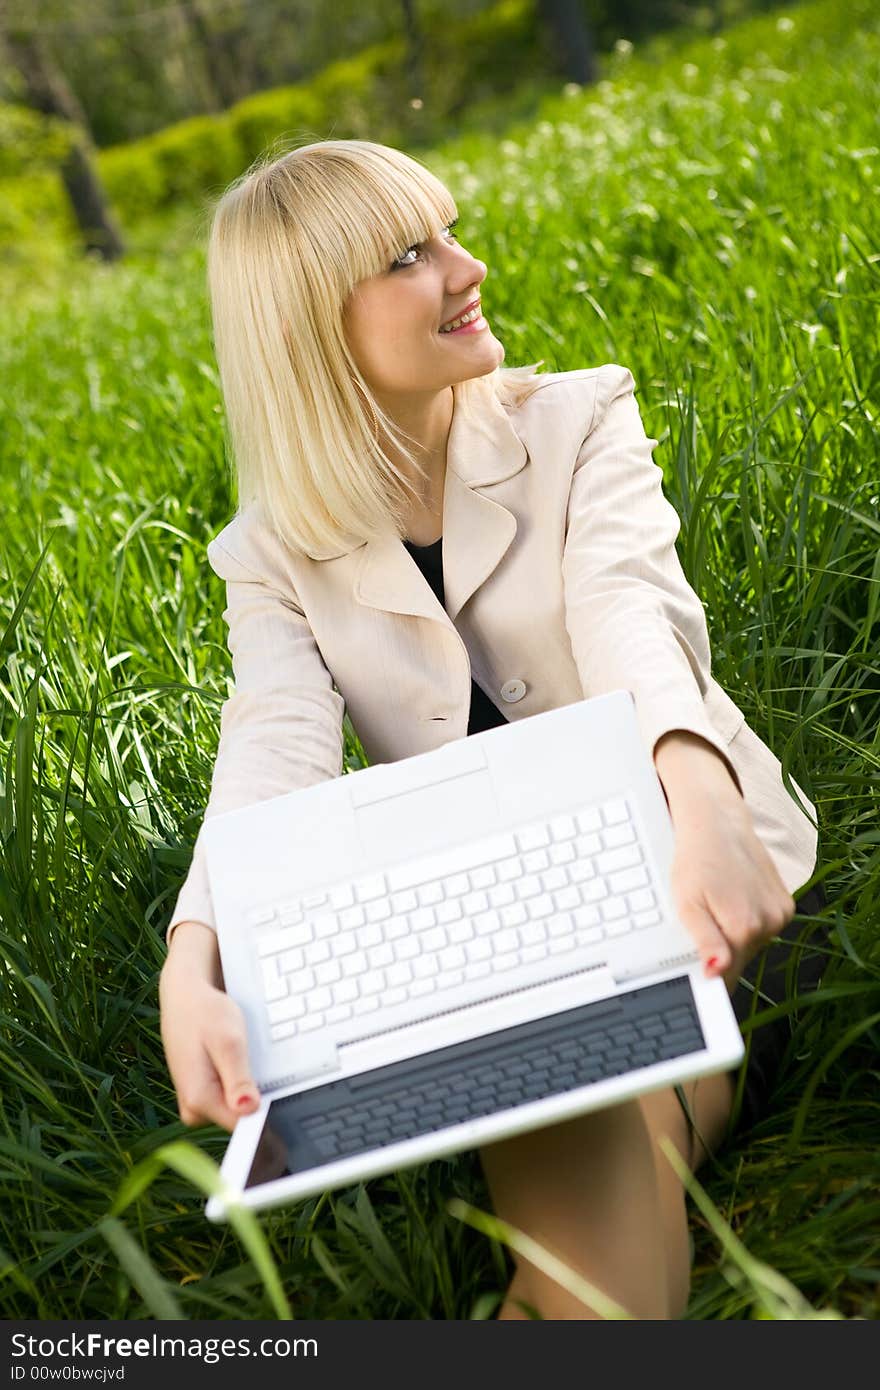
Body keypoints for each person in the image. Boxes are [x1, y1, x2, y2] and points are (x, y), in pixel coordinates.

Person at [159, 138, 828, 1320]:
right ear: (314, 324)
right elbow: (273, 744)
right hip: (503, 960)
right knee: (589, 1203)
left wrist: (701, 797)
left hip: (703, 904)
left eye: (449, 231)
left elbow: (629, 609)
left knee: (588, 1190)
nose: (466, 267)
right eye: (410, 256)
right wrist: (193, 959)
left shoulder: (578, 421)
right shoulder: (269, 555)